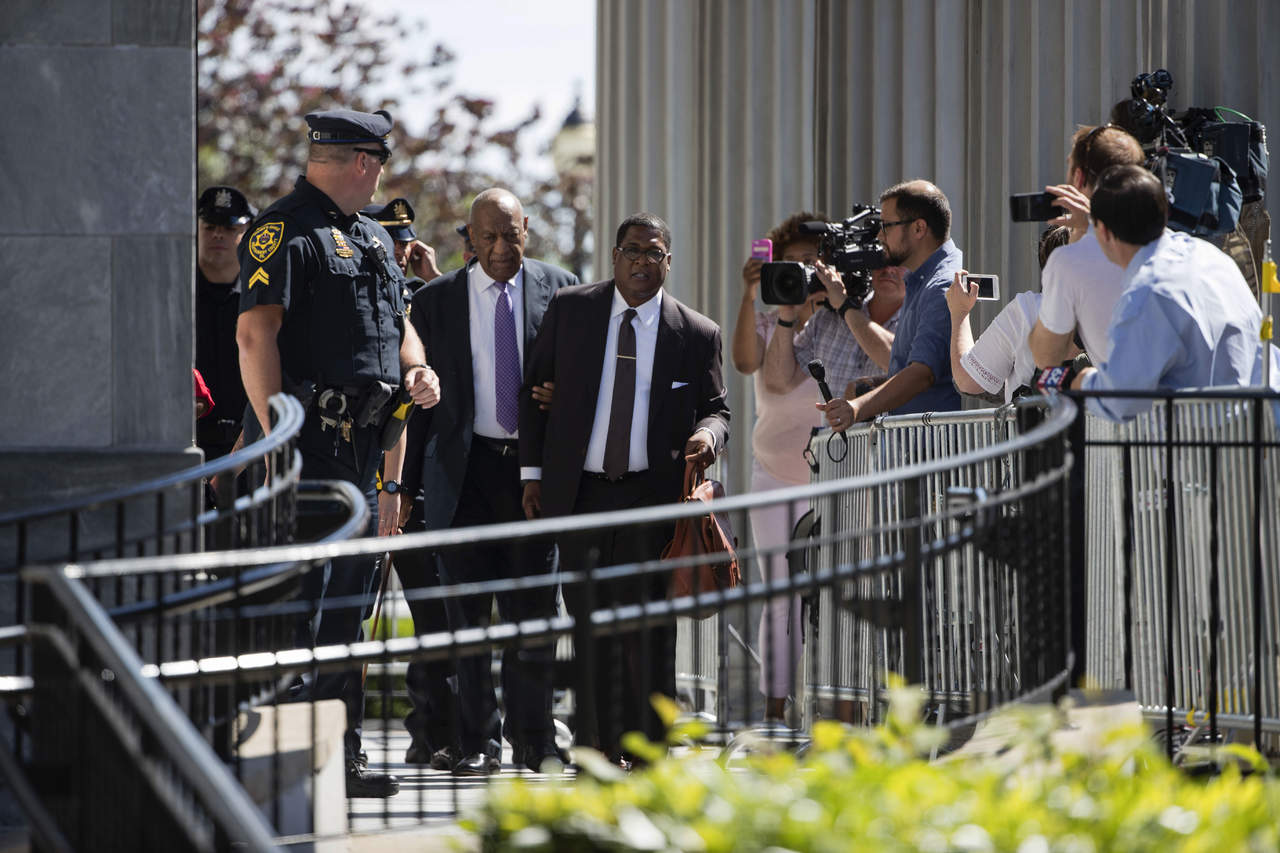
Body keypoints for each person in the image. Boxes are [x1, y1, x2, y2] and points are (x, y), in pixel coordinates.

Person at [235, 107, 441, 798]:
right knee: (301, 611)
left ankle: (338, 759)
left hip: (364, 450)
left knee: (346, 615)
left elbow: (400, 324)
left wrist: (418, 367)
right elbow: (254, 339)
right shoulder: (283, 230)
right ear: (362, 162)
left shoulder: (373, 240)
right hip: (308, 450)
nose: (381, 173)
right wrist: (272, 438)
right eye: (378, 162)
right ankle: (289, 771)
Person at [518, 213, 730, 765]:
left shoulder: (697, 332)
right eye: (633, 251)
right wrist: (533, 475)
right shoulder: (573, 310)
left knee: (650, 630)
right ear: (615, 255)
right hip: (581, 496)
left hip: (652, 499)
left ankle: (650, 752)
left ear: (668, 261)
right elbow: (533, 392)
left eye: (654, 253)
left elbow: (717, 409)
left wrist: (708, 434)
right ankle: (595, 751)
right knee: (589, 626)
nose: (642, 261)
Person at [397, 188, 578, 776]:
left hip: (533, 476)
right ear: (468, 240)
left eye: (512, 234)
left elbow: (586, 374)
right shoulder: (434, 301)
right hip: (464, 474)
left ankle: (536, 742)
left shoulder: (564, 287)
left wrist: (562, 397)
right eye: (489, 237)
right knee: (466, 622)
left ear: (527, 228)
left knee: (534, 619)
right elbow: (417, 399)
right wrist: (401, 488)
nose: (502, 248)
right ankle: (478, 744)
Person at [734, 211, 887, 723]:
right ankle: (775, 716)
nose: (803, 271)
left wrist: (838, 305)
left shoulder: (848, 318)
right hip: (775, 476)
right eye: (793, 263)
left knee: (846, 598)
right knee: (782, 599)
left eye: (812, 263)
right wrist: (771, 305)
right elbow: (765, 376)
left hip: (839, 481)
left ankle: (846, 714)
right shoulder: (787, 321)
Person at [1060, 165, 1263, 419]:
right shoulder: (1213, 258)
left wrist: (1085, 381)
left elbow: (1120, 400)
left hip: (1200, 446)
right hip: (1259, 433)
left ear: (1103, 232)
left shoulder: (1147, 293)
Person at [816, 180, 964, 431]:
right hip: (913, 449)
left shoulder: (941, 285)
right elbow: (932, 373)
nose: (879, 236)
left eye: (886, 226)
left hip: (929, 457)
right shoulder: (921, 279)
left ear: (919, 228)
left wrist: (857, 407)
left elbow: (922, 374)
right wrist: (871, 385)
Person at [1028, 125, 1146, 368]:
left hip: (1145, 403)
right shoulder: (1195, 249)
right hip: (1223, 402)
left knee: (1083, 380)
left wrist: (1080, 234)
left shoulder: (1071, 260)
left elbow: (1046, 357)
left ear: (1079, 178)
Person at [947, 226, 1073, 402]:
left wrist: (959, 312)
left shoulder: (1026, 309)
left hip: (1043, 427)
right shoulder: (1118, 305)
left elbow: (968, 381)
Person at [195, 185, 255, 461]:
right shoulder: (175, 296)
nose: (218, 234)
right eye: (209, 226)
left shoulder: (261, 299)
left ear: (246, 233)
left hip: (248, 450)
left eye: (230, 228)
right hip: (189, 445)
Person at [361, 196, 441, 283]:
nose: (400, 252)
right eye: (389, 242)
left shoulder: (414, 291)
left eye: (404, 244)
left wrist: (433, 277)